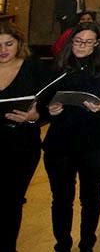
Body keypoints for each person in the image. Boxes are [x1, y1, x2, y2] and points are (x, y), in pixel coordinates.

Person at [43, 22, 100, 252]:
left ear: (97, 44)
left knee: (90, 195)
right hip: (61, 140)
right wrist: (49, 109)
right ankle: (63, 243)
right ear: (70, 42)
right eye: (78, 41)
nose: (82, 46)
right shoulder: (58, 66)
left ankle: (87, 241)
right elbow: (41, 100)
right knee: (61, 197)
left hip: (95, 140)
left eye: (89, 42)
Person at [0, 22, 46, 251]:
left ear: (19, 44)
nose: (3, 50)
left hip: (22, 144)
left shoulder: (32, 68)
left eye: (9, 44)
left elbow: (47, 106)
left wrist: (33, 115)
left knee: (12, 201)